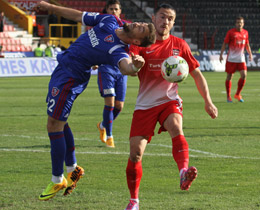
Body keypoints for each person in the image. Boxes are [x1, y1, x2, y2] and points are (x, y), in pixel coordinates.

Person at [36, 0, 156, 201]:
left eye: (141, 29)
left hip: (71, 78)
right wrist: (50, 7)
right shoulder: (110, 20)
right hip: (63, 68)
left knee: (53, 125)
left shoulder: (118, 50)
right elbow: (77, 16)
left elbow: (126, 68)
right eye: (140, 23)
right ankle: (73, 169)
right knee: (59, 121)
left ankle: (58, 179)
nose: (137, 24)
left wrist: (135, 67)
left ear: (136, 42)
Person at [124, 4, 218, 210]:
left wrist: (208, 101)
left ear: (173, 23)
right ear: (154, 18)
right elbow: (129, 68)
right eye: (162, 17)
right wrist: (135, 65)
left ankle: (183, 172)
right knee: (135, 154)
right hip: (145, 105)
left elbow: (196, 74)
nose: (165, 21)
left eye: (170, 18)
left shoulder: (180, 45)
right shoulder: (141, 43)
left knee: (176, 126)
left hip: (169, 100)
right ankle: (134, 201)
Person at [96, 0, 131, 148]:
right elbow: (94, 44)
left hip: (121, 69)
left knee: (119, 106)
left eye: (116, 9)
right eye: (111, 9)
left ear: (120, 11)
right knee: (109, 103)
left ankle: (103, 125)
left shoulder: (127, 27)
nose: (113, 11)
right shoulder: (101, 26)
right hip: (106, 68)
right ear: (107, 10)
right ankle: (109, 136)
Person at [219, 16, 253, 103]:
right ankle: (228, 96)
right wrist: (221, 54)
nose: (239, 24)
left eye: (241, 23)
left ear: (243, 24)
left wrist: (250, 54)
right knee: (229, 76)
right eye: (238, 23)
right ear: (235, 24)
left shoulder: (246, 33)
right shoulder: (231, 32)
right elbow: (225, 43)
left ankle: (237, 94)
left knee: (244, 75)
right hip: (231, 59)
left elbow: (247, 44)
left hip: (241, 59)